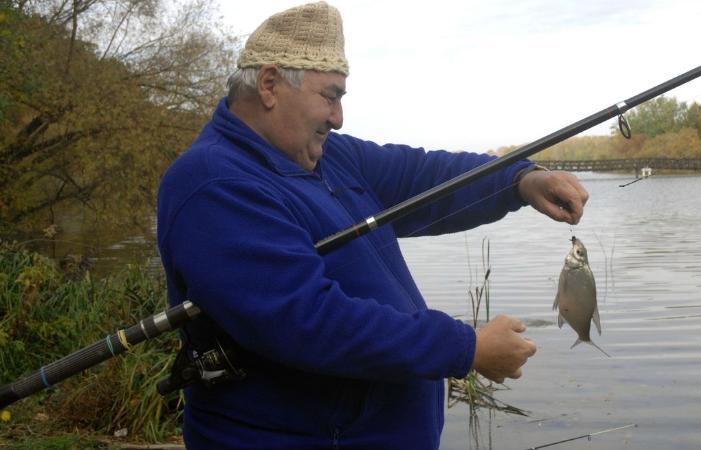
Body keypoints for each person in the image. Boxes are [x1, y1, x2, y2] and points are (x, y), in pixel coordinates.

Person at [156, 2, 589, 448]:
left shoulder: (331, 157)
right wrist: (466, 348)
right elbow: (310, 321)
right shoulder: (213, 183)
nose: (338, 117)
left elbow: (425, 176)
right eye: (331, 95)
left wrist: (519, 180)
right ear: (269, 85)